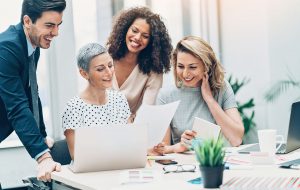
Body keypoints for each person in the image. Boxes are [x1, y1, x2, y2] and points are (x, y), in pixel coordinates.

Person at [0, 0, 66, 182]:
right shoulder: (6, 48)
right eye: (50, 25)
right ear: (28, 21)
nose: (56, 33)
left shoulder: (31, 46)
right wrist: (43, 157)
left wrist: (42, 137)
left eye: (58, 25)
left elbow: (31, 92)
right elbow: (17, 106)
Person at [152, 36, 244, 154]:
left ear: (206, 66)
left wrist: (209, 100)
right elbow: (161, 149)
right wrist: (179, 146)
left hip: (218, 162)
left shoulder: (222, 88)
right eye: (180, 66)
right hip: (184, 167)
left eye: (192, 67)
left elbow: (236, 139)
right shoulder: (165, 96)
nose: (185, 73)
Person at [62, 43, 131, 160]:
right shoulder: (73, 108)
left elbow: (130, 143)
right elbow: (77, 156)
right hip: (89, 174)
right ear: (84, 73)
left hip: (120, 168)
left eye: (110, 65)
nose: (109, 73)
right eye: (100, 69)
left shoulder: (120, 99)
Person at [106, 6, 172, 115]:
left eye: (145, 36)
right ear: (125, 29)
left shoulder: (154, 70)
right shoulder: (105, 56)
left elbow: (147, 112)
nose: (137, 37)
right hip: (99, 126)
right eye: (134, 30)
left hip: (132, 128)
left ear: (152, 42)